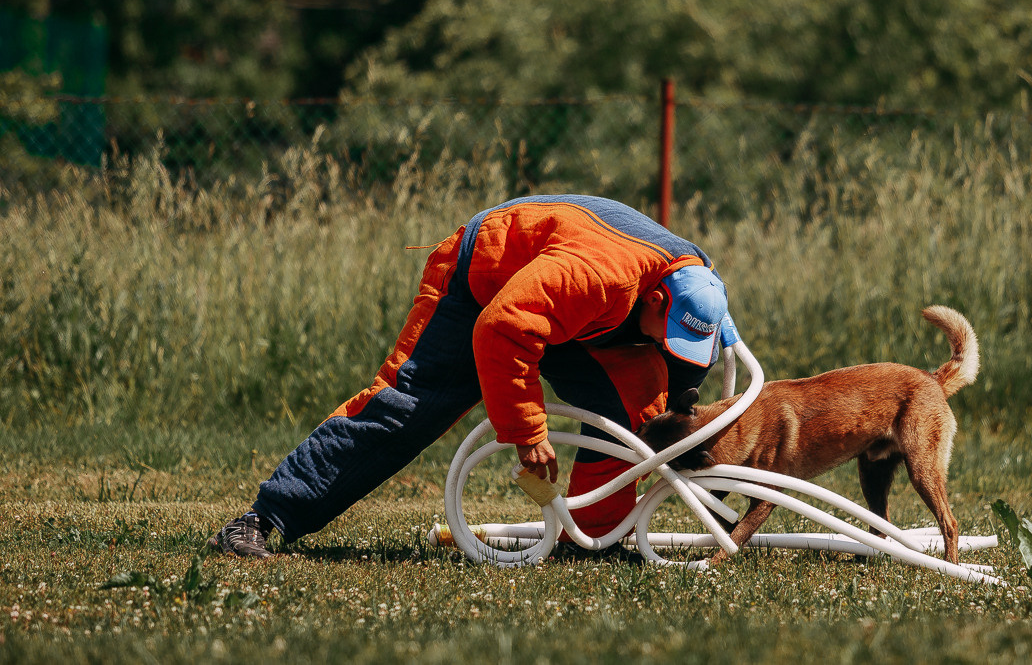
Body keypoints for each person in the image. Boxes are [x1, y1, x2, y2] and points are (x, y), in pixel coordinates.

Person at [208, 194, 733, 559]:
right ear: (656, 298)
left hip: (565, 307)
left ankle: (594, 538)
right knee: (406, 409)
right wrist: (528, 433)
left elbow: (699, 343)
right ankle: (263, 519)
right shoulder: (597, 278)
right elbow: (502, 328)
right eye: (667, 331)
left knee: (630, 407)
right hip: (482, 284)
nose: (668, 346)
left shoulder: (696, 276)